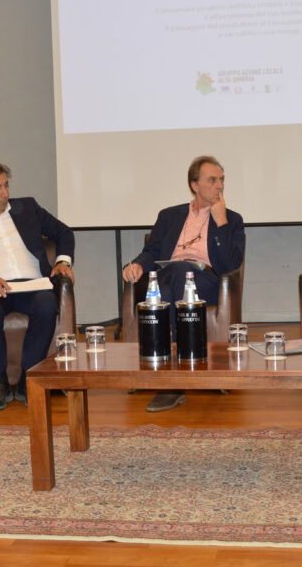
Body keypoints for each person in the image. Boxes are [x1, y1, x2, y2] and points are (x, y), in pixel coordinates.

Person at [122, 156, 245, 412]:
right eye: (212, 180)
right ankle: (184, 367)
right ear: (194, 185)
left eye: (222, 180)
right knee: (169, 280)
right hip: (168, 275)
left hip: (205, 280)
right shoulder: (169, 216)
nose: (220, 185)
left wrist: (221, 223)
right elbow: (152, 251)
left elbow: (229, 265)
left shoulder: (232, 219)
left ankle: (172, 382)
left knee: (175, 279)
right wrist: (137, 265)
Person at [0, 161, 75, 411]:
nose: (5, 193)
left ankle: (29, 379)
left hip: (34, 283)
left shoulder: (27, 208)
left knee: (46, 304)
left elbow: (64, 232)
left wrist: (63, 261)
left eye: (6, 185)